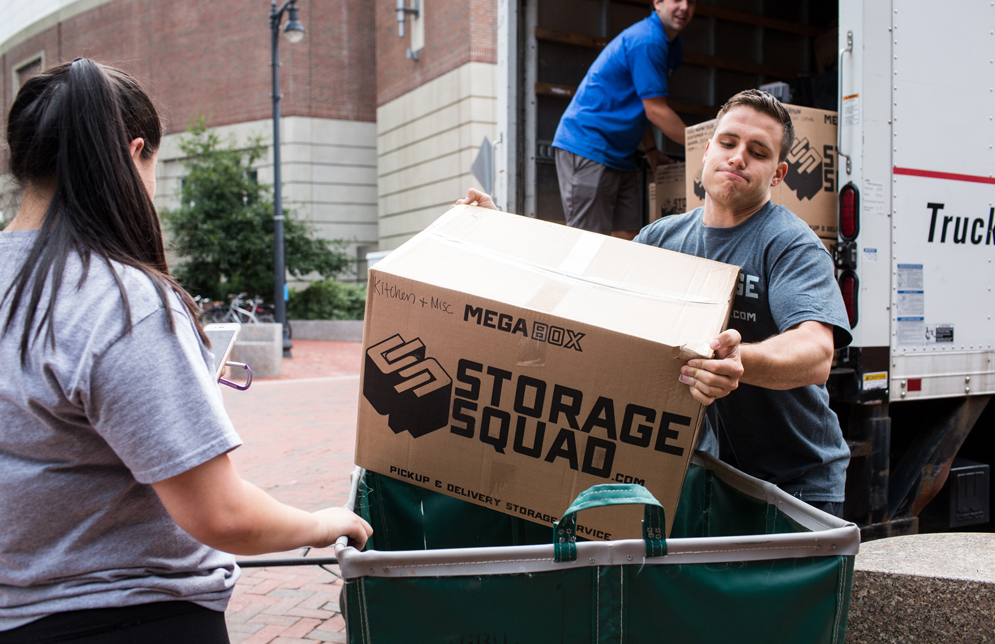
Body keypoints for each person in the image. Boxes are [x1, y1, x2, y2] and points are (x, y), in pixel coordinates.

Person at [0, 59, 372, 643]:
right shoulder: (121, 301)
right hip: (129, 614)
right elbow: (221, 515)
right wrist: (320, 523)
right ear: (134, 151)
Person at [456, 89, 851, 517]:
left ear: (778, 174)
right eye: (728, 143)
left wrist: (741, 362)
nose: (738, 157)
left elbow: (816, 352)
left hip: (796, 484)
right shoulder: (661, 240)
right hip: (707, 476)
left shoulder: (791, 244)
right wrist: (500, 233)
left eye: (758, 152)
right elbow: (582, 291)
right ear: (705, 153)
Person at [551, 0, 698, 240]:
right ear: (657, 2)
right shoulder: (648, 40)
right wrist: (704, 145)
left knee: (628, 239)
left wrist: (651, 151)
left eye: (691, 1)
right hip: (588, 145)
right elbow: (656, 110)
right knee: (588, 241)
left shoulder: (672, 47)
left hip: (622, 154)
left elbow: (643, 105)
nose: (684, 7)